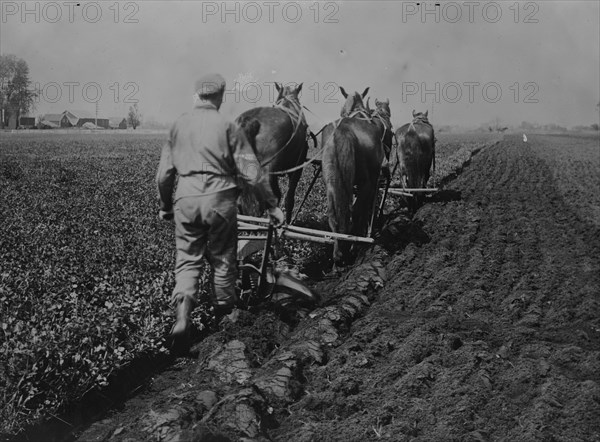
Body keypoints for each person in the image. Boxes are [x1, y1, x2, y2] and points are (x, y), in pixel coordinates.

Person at [156, 73, 284, 352]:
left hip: (186, 198)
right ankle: (224, 319)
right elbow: (252, 173)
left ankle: (182, 317)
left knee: (188, 261)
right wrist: (272, 205)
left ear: (197, 95)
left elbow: (164, 174)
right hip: (220, 200)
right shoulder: (228, 127)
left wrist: (166, 206)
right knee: (223, 259)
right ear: (221, 96)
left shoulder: (178, 125)